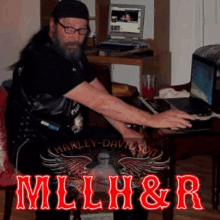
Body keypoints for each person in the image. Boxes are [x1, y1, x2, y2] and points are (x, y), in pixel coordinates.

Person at [5, 0, 195, 219]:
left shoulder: (71, 51)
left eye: (81, 30)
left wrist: (125, 131)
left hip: (67, 136)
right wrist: (153, 120)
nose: (75, 37)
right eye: (68, 29)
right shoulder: (43, 61)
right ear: (53, 26)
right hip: (33, 144)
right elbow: (98, 103)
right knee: (59, 182)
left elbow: (101, 95)